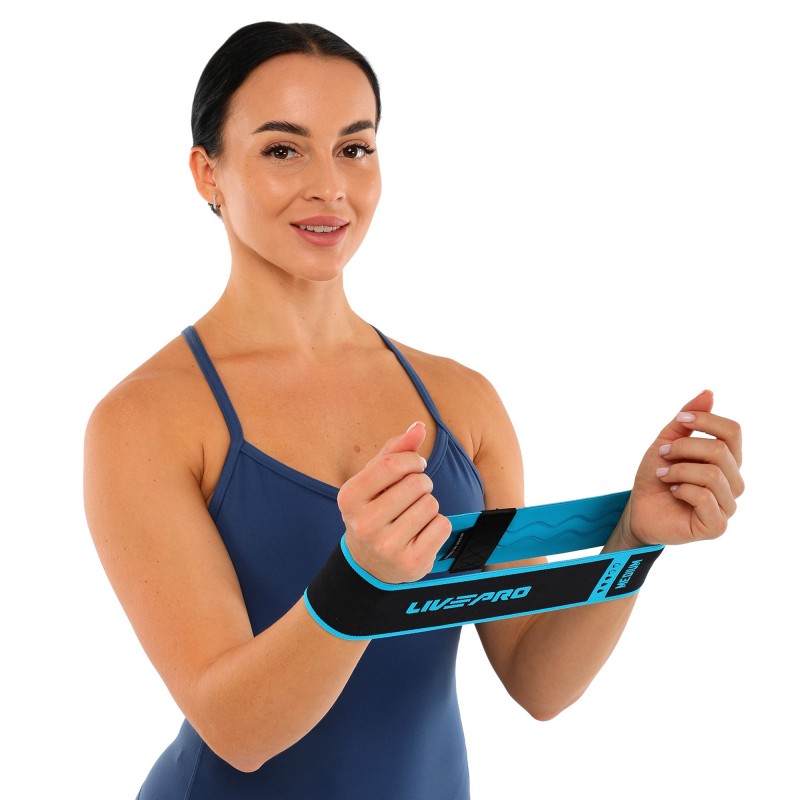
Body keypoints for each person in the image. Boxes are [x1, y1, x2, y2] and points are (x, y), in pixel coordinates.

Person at [83, 20, 745, 800]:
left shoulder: (462, 401)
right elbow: (240, 732)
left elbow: (536, 680)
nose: (330, 186)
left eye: (354, 148)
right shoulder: (145, 420)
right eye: (283, 149)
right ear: (208, 173)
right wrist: (360, 580)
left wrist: (633, 539)